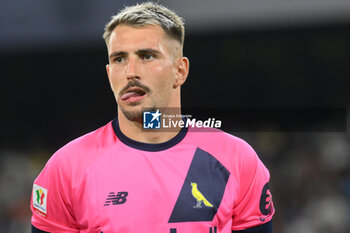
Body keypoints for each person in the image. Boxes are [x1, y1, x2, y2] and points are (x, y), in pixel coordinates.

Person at [30, 2, 274, 233]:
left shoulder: (236, 159)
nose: (131, 72)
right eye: (119, 59)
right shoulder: (66, 168)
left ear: (180, 71)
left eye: (146, 56)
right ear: (108, 73)